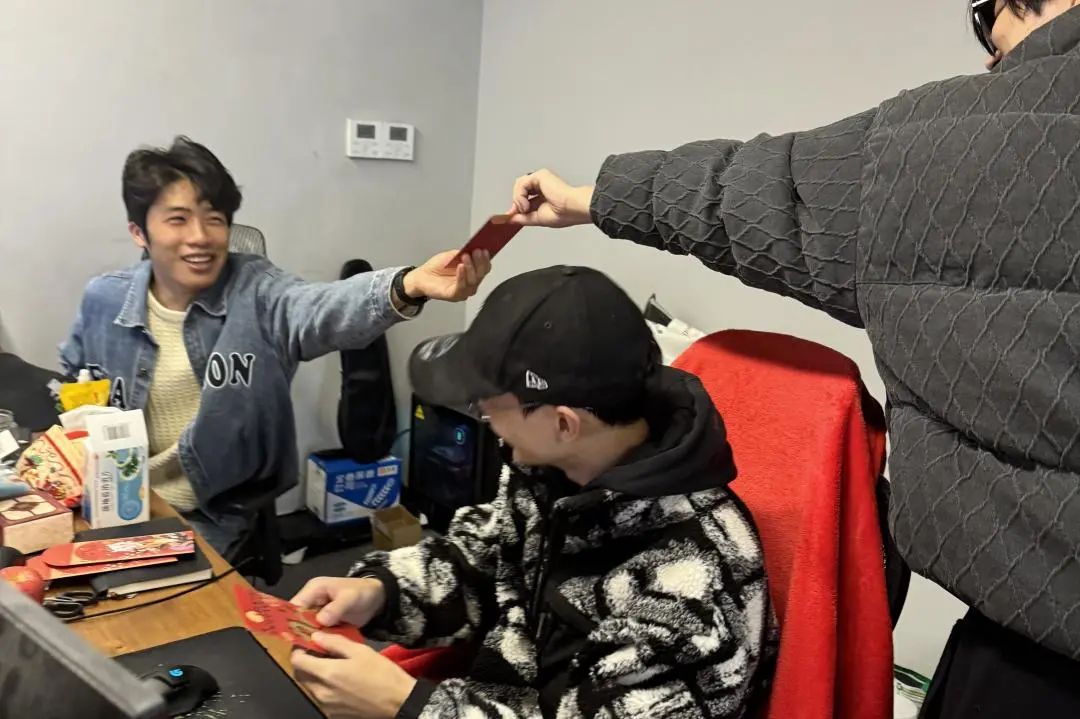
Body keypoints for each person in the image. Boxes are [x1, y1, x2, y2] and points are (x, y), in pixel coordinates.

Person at [502, 1, 1080, 716]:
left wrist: (586, 200)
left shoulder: (947, 140)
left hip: (1027, 663)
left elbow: (741, 194)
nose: (993, 61)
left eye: (989, 23)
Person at [291, 266, 775, 719]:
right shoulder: (551, 471)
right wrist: (382, 592)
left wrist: (409, 706)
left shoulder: (694, 588)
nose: (485, 420)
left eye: (488, 408)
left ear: (564, 424)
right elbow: (487, 561)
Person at [59, 136, 491, 556]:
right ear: (139, 232)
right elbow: (74, 388)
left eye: (215, 219)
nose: (201, 236)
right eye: (178, 220)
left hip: (215, 513)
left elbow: (320, 307)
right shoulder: (104, 299)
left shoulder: (258, 291)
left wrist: (408, 284)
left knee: (155, 601)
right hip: (117, 498)